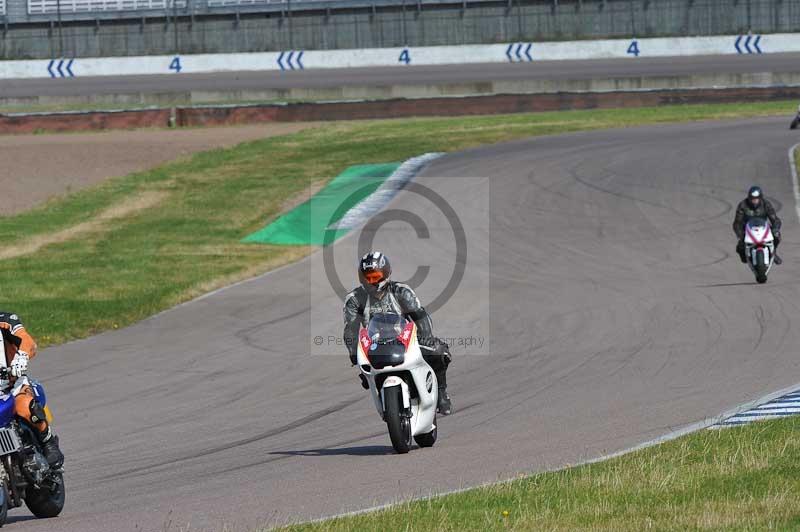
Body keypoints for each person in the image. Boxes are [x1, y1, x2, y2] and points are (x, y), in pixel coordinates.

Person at [343, 252, 453, 415]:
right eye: (366, 277)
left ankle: (441, 392)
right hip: (375, 346)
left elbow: (420, 317)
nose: (370, 282)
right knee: (364, 369)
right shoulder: (354, 299)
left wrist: (426, 339)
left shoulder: (401, 291)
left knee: (439, 352)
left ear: (385, 275)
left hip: (405, 341)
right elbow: (350, 329)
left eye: (374, 276)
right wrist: (353, 353)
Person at [0, 312, 64, 467]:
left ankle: (48, 443)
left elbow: (27, 341)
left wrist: (21, 356)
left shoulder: (5, 321)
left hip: (12, 387)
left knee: (26, 407)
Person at [733, 185, 782, 265]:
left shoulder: (766, 204)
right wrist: (740, 234)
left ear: (760, 198)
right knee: (740, 246)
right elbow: (737, 223)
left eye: (756, 198)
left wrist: (776, 228)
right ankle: (745, 255)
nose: (754, 201)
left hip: (763, 227)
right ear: (749, 198)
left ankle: (773, 253)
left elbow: (775, 219)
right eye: (752, 198)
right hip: (747, 228)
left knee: (776, 236)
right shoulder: (742, 205)